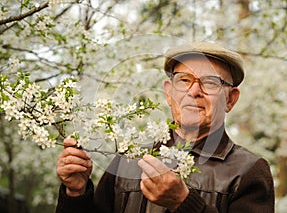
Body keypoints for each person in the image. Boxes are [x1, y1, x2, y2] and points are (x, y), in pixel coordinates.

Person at [55, 42, 275, 212]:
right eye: (184, 80)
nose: (194, 91)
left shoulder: (249, 171)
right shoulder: (129, 157)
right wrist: (76, 192)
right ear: (169, 92)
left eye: (210, 82)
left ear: (230, 99)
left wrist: (184, 203)